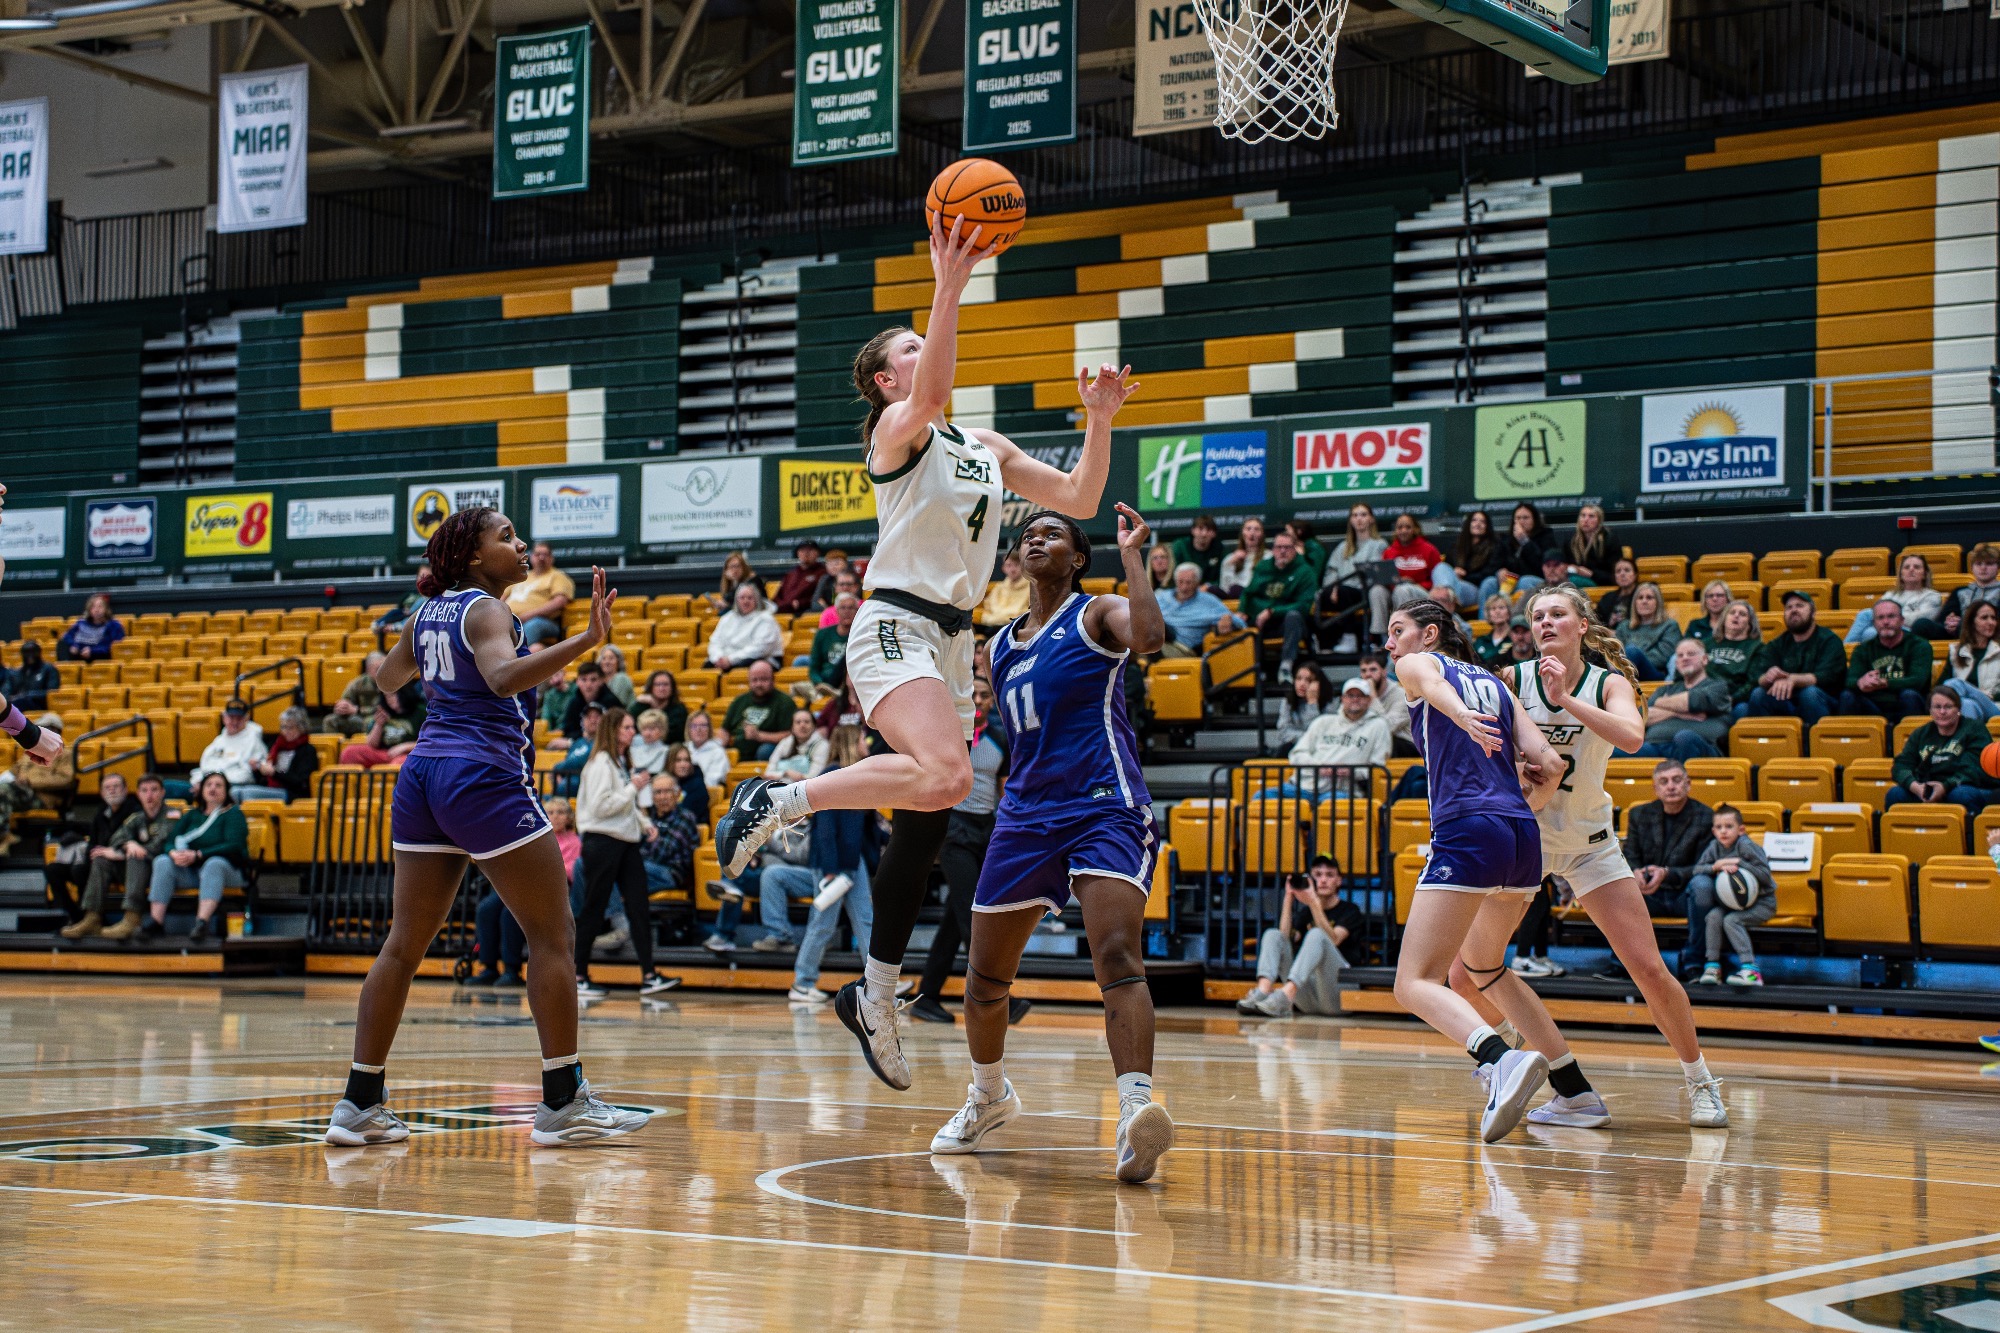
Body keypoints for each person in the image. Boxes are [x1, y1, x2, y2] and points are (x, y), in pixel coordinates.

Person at [713, 212, 1135, 1096]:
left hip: (954, 639)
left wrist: (1098, 420)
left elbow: (1080, 496)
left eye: (923, 342)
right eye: (907, 347)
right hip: (896, 618)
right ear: (882, 378)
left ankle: (872, 991)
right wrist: (949, 281)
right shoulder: (896, 433)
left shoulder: (983, 448)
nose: (922, 353)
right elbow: (931, 394)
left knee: (932, 810)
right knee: (943, 774)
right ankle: (780, 796)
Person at [327, 506, 650, 1150]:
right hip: (480, 773)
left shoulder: (426, 615)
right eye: (506, 536)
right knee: (553, 932)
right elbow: (502, 679)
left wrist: (403, 652)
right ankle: (562, 1101)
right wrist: (587, 641)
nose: (521, 543)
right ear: (474, 557)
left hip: (423, 776)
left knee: (403, 944)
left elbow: (386, 678)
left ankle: (360, 1104)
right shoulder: (488, 610)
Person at [925, 505, 1174, 1184]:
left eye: (1053, 534)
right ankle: (987, 1095)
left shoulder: (1098, 614)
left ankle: (1134, 1115)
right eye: (1028, 534)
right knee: (982, 981)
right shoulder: (998, 645)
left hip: (1102, 804)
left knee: (1117, 955)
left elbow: (1150, 638)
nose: (1036, 538)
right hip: (1026, 813)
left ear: (1075, 557)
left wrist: (1134, 557)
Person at [1472, 583, 1730, 1129]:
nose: (1544, 622)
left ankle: (1700, 1081)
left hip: (1590, 844)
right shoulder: (1512, 679)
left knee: (1649, 969)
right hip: (1526, 845)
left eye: (1557, 614)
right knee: (1466, 969)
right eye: (1537, 615)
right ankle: (1551, 1073)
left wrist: (1565, 700)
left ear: (1581, 626)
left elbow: (1634, 738)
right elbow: (1482, 747)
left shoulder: (1607, 682)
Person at [1382, 599, 1564, 1143]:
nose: (1391, 645)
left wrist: (1458, 716)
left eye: (1398, 631)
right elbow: (1550, 765)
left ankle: (1498, 1060)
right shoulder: (1497, 685)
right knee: (1481, 967)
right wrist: (1524, 800)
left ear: (1429, 633)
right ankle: (1571, 1084)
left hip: (1468, 828)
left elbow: (1426, 682)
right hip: (1521, 839)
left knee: (1413, 982)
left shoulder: (1421, 664)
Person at [910, 682, 1008, 1024]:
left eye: (984, 696)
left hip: (986, 829)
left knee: (955, 919)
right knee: (973, 915)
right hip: (954, 829)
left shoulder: (1000, 737)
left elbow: (1004, 790)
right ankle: (999, 994)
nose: (979, 701)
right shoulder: (948, 736)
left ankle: (926, 996)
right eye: (973, 696)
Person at [573, 705, 680, 1000]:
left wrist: (645, 823)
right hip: (602, 842)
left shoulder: (619, 762)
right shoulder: (600, 764)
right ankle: (578, 975)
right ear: (613, 731)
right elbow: (601, 807)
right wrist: (633, 787)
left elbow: (625, 806)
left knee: (638, 907)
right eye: (627, 728)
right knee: (594, 908)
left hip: (626, 842)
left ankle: (649, 975)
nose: (633, 732)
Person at [790, 727, 881, 1004]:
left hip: (855, 860)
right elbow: (824, 828)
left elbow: (865, 825)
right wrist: (830, 867)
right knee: (823, 923)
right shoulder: (830, 774)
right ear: (851, 743)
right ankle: (802, 983)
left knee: (866, 921)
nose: (867, 744)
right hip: (834, 862)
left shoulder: (858, 777)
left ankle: (879, 985)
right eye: (861, 740)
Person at [1237, 858, 1362, 1017]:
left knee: (1317, 935)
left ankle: (1286, 994)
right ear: (1310, 879)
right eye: (1317, 875)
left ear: (1339, 881)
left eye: (1329, 875)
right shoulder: (1305, 913)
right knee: (1273, 935)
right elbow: (1284, 939)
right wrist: (1288, 898)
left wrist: (1314, 903)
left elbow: (1334, 939)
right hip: (1309, 999)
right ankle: (1263, 990)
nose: (1323, 880)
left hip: (1339, 995)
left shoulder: (1350, 910)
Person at [142, 771, 247, 943]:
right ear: (201, 790)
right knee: (162, 861)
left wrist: (199, 855)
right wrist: (173, 853)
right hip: (193, 873)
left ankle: (201, 923)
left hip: (228, 872)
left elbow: (234, 845)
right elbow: (170, 841)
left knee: (214, 864)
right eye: (209, 785)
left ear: (226, 791)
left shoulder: (233, 814)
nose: (213, 788)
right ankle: (156, 921)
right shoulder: (191, 815)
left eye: (218, 785)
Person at [70, 772, 175, 942]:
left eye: (154, 790)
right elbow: (117, 838)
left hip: (160, 873)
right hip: (135, 872)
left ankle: (132, 918)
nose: (149, 795)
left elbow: (158, 846)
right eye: (144, 790)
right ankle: (92, 917)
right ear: (138, 794)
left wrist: (127, 850)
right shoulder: (137, 818)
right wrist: (127, 845)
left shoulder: (172, 815)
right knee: (101, 859)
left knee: (135, 856)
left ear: (162, 793)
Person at [1686, 805, 1778, 987]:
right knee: (1713, 916)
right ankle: (1713, 967)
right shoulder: (1714, 847)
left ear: (1741, 829)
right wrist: (1717, 866)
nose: (1723, 831)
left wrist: (1739, 862)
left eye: (1729, 826)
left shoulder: (1747, 846)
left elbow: (1765, 875)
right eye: (1719, 827)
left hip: (1761, 903)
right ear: (1713, 831)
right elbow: (1697, 870)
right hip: (1731, 904)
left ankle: (1751, 971)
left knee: (1731, 921)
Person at [1622, 759, 1715, 931]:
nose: (1671, 787)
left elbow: (1703, 866)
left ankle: (1695, 956)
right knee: (1620, 883)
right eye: (1664, 782)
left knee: (1702, 884)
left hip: (1684, 894)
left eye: (1677, 780)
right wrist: (1635, 872)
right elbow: (1630, 855)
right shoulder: (1638, 814)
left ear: (1688, 784)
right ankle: (1624, 957)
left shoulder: (1707, 816)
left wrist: (1666, 874)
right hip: (1648, 893)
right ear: (1655, 789)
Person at [47, 772, 138, 934]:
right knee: (53, 870)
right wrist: (92, 855)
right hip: (99, 862)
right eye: (107, 788)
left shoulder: (134, 811)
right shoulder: (101, 813)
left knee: (81, 870)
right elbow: (92, 844)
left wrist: (108, 853)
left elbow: (133, 843)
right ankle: (77, 916)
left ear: (125, 790)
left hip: (123, 865)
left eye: (116, 787)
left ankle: (91, 919)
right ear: (102, 793)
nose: (112, 791)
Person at [1745, 590, 1846, 729]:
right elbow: (1758, 676)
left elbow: (1828, 676)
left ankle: (1818, 745)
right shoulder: (1777, 644)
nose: (1794, 610)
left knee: (1809, 693)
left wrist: (1792, 679)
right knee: (1758, 694)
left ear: (1813, 612)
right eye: (1789, 607)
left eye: (1800, 605)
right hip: (1787, 701)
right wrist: (1769, 677)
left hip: (1824, 702)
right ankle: (1767, 746)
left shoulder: (1829, 640)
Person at [1885, 686, 1994, 812]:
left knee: (1961, 795)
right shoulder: (1921, 734)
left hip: (1966, 786)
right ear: (1930, 711)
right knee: (1895, 794)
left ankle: (1969, 831)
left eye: (1948, 707)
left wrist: (1945, 786)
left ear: (1958, 709)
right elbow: (1901, 765)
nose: (1942, 712)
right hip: (1929, 787)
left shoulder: (1975, 730)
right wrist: (1915, 786)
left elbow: (1972, 770)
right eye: (1937, 707)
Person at [1285, 679, 1391, 798]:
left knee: (1332, 805)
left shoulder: (1378, 725)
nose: (1355, 699)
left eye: (1360, 696)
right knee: (1263, 796)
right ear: (1342, 699)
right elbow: (1296, 754)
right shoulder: (1323, 721)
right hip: (1304, 786)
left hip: (1343, 790)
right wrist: (1319, 766)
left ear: (1369, 700)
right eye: (1350, 695)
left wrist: (1351, 771)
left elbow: (1378, 767)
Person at [1630, 639, 1732, 760]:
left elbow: (1692, 701)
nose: (1685, 658)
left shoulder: (1717, 687)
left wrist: (1659, 703)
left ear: (1704, 659)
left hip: (1699, 745)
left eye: (1691, 654)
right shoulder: (1664, 690)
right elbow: (1641, 717)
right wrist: (1678, 712)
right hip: (1656, 746)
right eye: (1680, 655)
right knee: (1615, 750)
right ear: (1676, 663)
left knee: (1684, 737)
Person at [1239, 529, 1318, 680]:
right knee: (1238, 623)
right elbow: (1248, 593)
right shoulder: (1263, 567)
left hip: (1290, 623)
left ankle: (1286, 666)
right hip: (1263, 620)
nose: (1282, 551)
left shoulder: (1305, 571)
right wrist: (1242, 611)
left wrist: (1272, 611)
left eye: (1287, 548)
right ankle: (1252, 671)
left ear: (1294, 549)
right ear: (1273, 549)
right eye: (1278, 547)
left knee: (1293, 616)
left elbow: (1303, 605)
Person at [1841, 599, 1935, 723]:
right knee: (1847, 696)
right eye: (1880, 618)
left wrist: (1884, 682)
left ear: (1902, 621)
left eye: (1891, 616)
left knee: (1909, 695)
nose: (1885, 622)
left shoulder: (1920, 646)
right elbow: (1849, 680)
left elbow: (1917, 681)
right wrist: (1861, 682)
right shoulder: (1862, 649)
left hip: (1906, 703)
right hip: (1872, 706)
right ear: (1874, 623)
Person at [0, 714, 74, 854]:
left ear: (54, 730)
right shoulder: (30, 753)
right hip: (21, 793)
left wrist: (30, 782)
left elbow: (66, 780)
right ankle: (4, 837)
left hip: (41, 798)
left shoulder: (65, 754)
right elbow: (13, 772)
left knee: (2, 791)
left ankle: (3, 837)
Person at [1320, 502, 1389, 651]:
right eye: (1355, 515)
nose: (1359, 519)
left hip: (1364, 590)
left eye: (1363, 515)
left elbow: (1376, 573)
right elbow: (1331, 571)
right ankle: (1323, 644)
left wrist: (1341, 587)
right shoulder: (1343, 547)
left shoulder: (1379, 544)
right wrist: (1333, 587)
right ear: (1350, 520)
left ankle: (1349, 637)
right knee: (1323, 595)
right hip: (1340, 591)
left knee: (1346, 592)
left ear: (1371, 519)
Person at [1847, 552, 1943, 645]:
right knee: (1866, 620)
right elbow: (1878, 615)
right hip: (1886, 629)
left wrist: (1888, 618)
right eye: (1906, 567)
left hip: (1912, 633)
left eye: (1917, 567)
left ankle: (1845, 651)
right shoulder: (1890, 594)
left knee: (1869, 627)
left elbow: (1919, 622)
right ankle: (1847, 649)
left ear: (1925, 574)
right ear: (1901, 574)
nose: (1911, 569)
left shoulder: (1932, 596)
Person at [640, 772, 702, 897]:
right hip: (646, 871)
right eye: (658, 792)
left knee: (627, 867)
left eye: (667, 791)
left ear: (677, 794)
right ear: (652, 797)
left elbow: (664, 852)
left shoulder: (685, 817)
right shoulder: (650, 818)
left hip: (671, 874)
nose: (663, 797)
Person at [1159, 563, 1241, 657]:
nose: (1184, 587)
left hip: (1181, 648)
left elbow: (1240, 623)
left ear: (1197, 583)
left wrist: (1228, 619)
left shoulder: (1208, 601)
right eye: (1180, 582)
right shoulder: (1162, 597)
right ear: (1175, 581)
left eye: (1188, 582)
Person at [239, 706, 318, 803]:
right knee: (234, 792)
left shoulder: (308, 751)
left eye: (290, 727)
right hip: (272, 789)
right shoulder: (277, 747)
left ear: (301, 728)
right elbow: (264, 780)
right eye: (283, 727)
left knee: (248, 793)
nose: (286, 731)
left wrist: (274, 773)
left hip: (293, 794)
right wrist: (257, 769)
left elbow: (301, 782)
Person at [337, 683, 425, 769]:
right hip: (385, 753)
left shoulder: (421, 712)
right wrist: (379, 725)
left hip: (410, 754)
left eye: (393, 695)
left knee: (398, 764)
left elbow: (430, 743)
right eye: (387, 696)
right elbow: (372, 744)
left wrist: (404, 747)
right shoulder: (383, 711)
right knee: (349, 753)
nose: (390, 700)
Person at [723, 661, 798, 760]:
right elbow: (724, 730)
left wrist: (759, 736)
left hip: (766, 751)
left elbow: (791, 735)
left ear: (773, 680)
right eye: (755, 680)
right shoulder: (739, 701)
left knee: (765, 751)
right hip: (737, 751)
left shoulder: (785, 702)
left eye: (764, 679)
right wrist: (718, 745)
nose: (759, 684)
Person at [505, 542, 575, 647]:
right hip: (509, 620)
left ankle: (515, 658)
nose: (541, 558)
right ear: (532, 557)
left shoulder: (557, 576)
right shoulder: (520, 576)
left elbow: (559, 601)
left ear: (551, 558)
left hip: (543, 622)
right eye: (538, 554)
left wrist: (527, 616)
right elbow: (501, 598)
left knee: (534, 624)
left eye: (545, 554)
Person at [192, 700, 268, 795]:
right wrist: (200, 782)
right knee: (171, 786)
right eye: (231, 717)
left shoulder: (254, 741)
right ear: (224, 718)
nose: (235, 722)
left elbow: (247, 775)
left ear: (246, 719)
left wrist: (214, 783)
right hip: (207, 784)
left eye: (239, 718)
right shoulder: (218, 741)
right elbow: (204, 766)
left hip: (233, 786)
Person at [1481, 502, 1549, 608]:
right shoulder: (1505, 540)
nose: (1521, 521)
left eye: (1525, 518)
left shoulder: (1545, 536)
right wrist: (1499, 571)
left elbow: (1542, 566)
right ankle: (1485, 623)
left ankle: (1523, 622)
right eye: (1518, 518)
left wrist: (1524, 541)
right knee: (1489, 583)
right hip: (1508, 582)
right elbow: (1491, 566)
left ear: (1534, 520)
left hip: (1536, 580)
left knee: (1524, 581)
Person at [1705, 599, 1764, 717]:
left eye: (1742, 614)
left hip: (1735, 700)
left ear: (1750, 623)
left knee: (1742, 709)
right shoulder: (1705, 644)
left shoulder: (1757, 648)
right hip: (1704, 696)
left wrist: (1732, 699)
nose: (1736, 616)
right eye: (1732, 613)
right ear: (1724, 619)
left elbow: (1753, 682)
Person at [707, 582, 786, 671]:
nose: (746, 601)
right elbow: (715, 642)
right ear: (736, 600)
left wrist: (730, 660)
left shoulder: (766, 620)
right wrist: (718, 658)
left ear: (756, 600)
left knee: (741, 668)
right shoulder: (727, 618)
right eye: (742, 598)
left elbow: (760, 649)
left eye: (750, 598)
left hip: (761, 659)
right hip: (728, 659)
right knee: (708, 666)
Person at [1929, 543, 2000, 640]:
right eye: (1978, 564)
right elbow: (1943, 619)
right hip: (1960, 632)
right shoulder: (1960, 592)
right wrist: (1949, 623)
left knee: (1966, 624)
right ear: (1972, 568)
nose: (1983, 568)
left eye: (1989, 563)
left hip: (1993, 632)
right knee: (1922, 625)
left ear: (1998, 567)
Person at [1946, 601, 2000, 723]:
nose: (1991, 622)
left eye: (1993, 618)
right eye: (1984, 618)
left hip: (1994, 706)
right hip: (1965, 707)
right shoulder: (1956, 652)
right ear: (1972, 622)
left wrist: (1990, 695)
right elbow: (1940, 686)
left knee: (1956, 684)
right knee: (1967, 704)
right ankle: (1969, 741)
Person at [1616, 582, 1679, 681]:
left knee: (1632, 651)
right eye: (1640, 598)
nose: (1644, 601)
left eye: (1649, 598)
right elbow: (1614, 653)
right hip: (1625, 671)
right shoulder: (1624, 626)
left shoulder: (1669, 626)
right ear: (1634, 602)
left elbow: (1663, 657)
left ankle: (1614, 688)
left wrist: (1636, 657)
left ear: (1658, 602)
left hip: (1654, 673)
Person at [1381, 513, 1445, 609]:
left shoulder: (1429, 549)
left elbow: (1438, 581)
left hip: (1422, 592)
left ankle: (1402, 624)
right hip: (1395, 592)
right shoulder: (1388, 552)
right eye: (1399, 527)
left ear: (1416, 529)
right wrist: (1397, 582)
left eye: (1408, 527)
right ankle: (1379, 624)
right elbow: (1385, 579)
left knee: (1402, 589)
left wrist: (1415, 584)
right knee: (1377, 591)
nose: (1403, 531)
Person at [1356, 651, 1412, 751]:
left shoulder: (1402, 695)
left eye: (1373, 670)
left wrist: (1372, 697)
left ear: (1384, 672)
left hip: (1404, 745)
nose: (1368, 674)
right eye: (1364, 671)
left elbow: (1387, 728)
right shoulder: (1358, 693)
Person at [328, 652, 390, 737]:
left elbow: (387, 710)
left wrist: (357, 710)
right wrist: (342, 708)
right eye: (378, 669)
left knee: (370, 721)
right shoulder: (358, 683)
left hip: (383, 718)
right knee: (330, 721)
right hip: (360, 718)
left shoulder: (394, 682)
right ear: (368, 670)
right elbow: (346, 700)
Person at [1275, 662, 1334, 749]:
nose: (1302, 684)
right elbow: (1283, 732)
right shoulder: (1287, 702)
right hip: (1295, 747)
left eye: (1309, 680)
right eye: (1298, 679)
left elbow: (1320, 735)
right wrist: (1307, 737)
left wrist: (1312, 704)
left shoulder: (1330, 705)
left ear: (1319, 684)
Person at [1557, 503, 1617, 586]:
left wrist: (1591, 574)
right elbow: (1563, 563)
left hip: (1599, 582)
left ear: (1599, 521)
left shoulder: (1609, 540)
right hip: (1573, 577)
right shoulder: (1571, 540)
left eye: (1591, 516)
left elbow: (1613, 574)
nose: (1586, 520)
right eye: (1583, 515)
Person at [809, 593, 858, 690]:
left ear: (857, 611)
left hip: (850, 684)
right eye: (843, 608)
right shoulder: (822, 634)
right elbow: (814, 668)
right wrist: (819, 684)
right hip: (824, 683)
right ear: (836, 611)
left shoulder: (861, 635)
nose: (847, 611)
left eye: (851, 608)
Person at [765, 709, 830, 781]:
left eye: (807, 722)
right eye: (798, 722)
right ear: (792, 727)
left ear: (814, 726)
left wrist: (799, 777)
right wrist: (785, 773)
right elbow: (768, 773)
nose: (802, 725)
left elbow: (815, 777)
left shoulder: (822, 745)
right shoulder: (785, 742)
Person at [58, 593, 124, 662]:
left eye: (100, 607)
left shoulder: (114, 625)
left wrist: (93, 651)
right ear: (89, 609)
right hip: (78, 657)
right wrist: (74, 645)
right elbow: (67, 636)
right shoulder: (81, 623)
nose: (96, 610)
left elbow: (114, 646)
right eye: (93, 607)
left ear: (106, 609)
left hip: (101, 659)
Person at [974, 552, 1031, 628]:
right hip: (991, 625)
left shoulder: (1032, 588)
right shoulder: (998, 587)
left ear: (1024, 567)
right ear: (1003, 568)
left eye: (1016, 565)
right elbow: (988, 608)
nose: (1012, 569)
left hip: (1016, 626)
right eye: (1009, 565)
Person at [2, 641, 60, 714]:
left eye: (33, 652)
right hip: (18, 704)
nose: (30, 655)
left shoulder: (48, 669)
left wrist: (28, 695)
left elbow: (52, 692)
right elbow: (6, 691)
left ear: (39, 653)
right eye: (26, 653)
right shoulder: (16, 673)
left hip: (40, 705)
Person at [558, 661, 610, 742]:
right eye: (584, 680)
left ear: (601, 681)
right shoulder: (574, 703)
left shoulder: (611, 701)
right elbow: (567, 732)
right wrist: (582, 735)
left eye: (593, 680)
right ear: (577, 682)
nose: (588, 684)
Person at [662, 744, 710, 827]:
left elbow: (688, 814)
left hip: (688, 828)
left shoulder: (697, 785)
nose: (683, 764)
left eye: (686, 760)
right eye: (678, 760)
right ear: (669, 762)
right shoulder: (662, 783)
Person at [774, 539, 827, 615]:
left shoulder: (822, 573)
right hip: (782, 610)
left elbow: (820, 598)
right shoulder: (791, 574)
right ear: (798, 553)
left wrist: (801, 603)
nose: (806, 553)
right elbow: (778, 596)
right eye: (802, 550)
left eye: (810, 550)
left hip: (804, 612)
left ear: (817, 553)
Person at [1218, 516, 1267, 597]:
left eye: (1256, 529)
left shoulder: (1268, 557)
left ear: (1262, 534)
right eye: (1248, 529)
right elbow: (1224, 588)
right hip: (1233, 596)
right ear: (1242, 534)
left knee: (1236, 589)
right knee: (1213, 590)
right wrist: (1230, 565)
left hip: (1256, 596)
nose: (1252, 533)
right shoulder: (1230, 558)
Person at [1171, 513, 1223, 588]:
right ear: (1193, 530)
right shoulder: (1180, 546)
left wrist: (1209, 586)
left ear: (1214, 533)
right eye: (1200, 529)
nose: (1204, 534)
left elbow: (1222, 578)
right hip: (1182, 587)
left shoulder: (1219, 548)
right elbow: (1172, 574)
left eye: (1208, 530)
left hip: (1209, 592)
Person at [635, 670, 688, 744]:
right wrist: (636, 702)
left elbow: (668, 736)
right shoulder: (641, 706)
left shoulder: (679, 710)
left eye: (666, 684)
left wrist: (655, 707)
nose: (662, 688)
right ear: (651, 687)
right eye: (657, 684)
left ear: (672, 688)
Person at [683, 710, 730, 788]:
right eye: (694, 726)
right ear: (688, 729)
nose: (698, 729)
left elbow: (712, 782)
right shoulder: (683, 750)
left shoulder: (718, 752)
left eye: (703, 725)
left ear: (709, 729)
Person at [1593, 557, 1640, 629]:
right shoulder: (1607, 598)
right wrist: (1609, 622)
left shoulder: (1642, 596)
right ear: (1615, 576)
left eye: (1627, 570)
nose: (1622, 574)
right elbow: (1597, 622)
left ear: (1635, 575)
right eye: (1618, 571)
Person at [707, 550, 759, 615]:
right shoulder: (730, 584)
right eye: (732, 567)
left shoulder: (752, 580)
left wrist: (734, 580)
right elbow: (728, 600)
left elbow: (742, 604)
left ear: (744, 567)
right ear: (726, 569)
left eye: (738, 566)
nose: (735, 570)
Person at [630, 709, 672, 776]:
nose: (647, 733)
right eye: (644, 729)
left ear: (662, 730)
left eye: (652, 729)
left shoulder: (668, 752)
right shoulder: (632, 751)